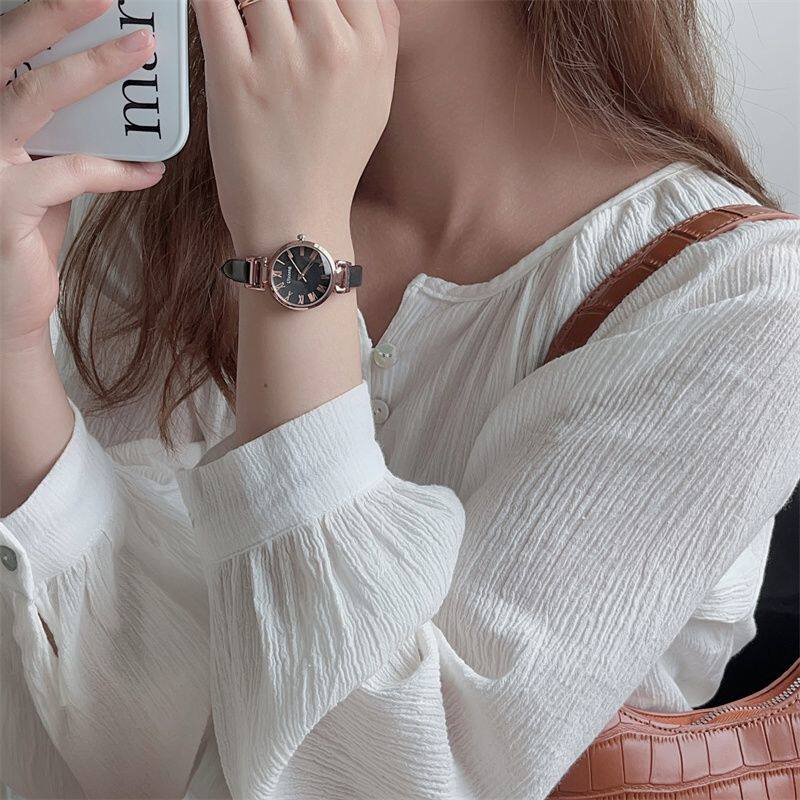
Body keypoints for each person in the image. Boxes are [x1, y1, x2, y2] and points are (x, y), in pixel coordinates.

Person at [1, 0, 799, 797]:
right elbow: (99, 750)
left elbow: (367, 777)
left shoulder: (738, 295)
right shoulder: (136, 214)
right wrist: (12, 357)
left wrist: (291, 243)